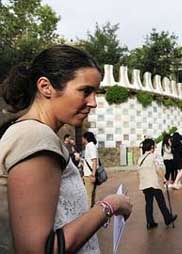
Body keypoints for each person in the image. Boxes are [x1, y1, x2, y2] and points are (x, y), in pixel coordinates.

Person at [0, 45, 132, 253]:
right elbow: (37, 250)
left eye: (95, 92)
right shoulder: (35, 137)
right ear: (45, 87)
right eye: (85, 91)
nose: (93, 102)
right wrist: (110, 205)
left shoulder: (33, 134)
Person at [138, 138, 177, 229]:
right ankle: (167, 218)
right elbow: (158, 169)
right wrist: (164, 178)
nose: (155, 147)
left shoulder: (141, 158)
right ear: (152, 147)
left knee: (149, 203)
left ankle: (150, 222)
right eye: (154, 145)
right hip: (154, 183)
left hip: (144, 184)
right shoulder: (155, 156)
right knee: (161, 202)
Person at [82, 131, 99, 208]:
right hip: (88, 174)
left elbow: (94, 161)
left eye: (83, 138)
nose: (82, 140)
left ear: (86, 138)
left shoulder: (90, 146)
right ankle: (90, 213)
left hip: (89, 175)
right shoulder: (90, 146)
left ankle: (88, 215)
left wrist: (93, 175)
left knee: (88, 197)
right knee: (90, 196)